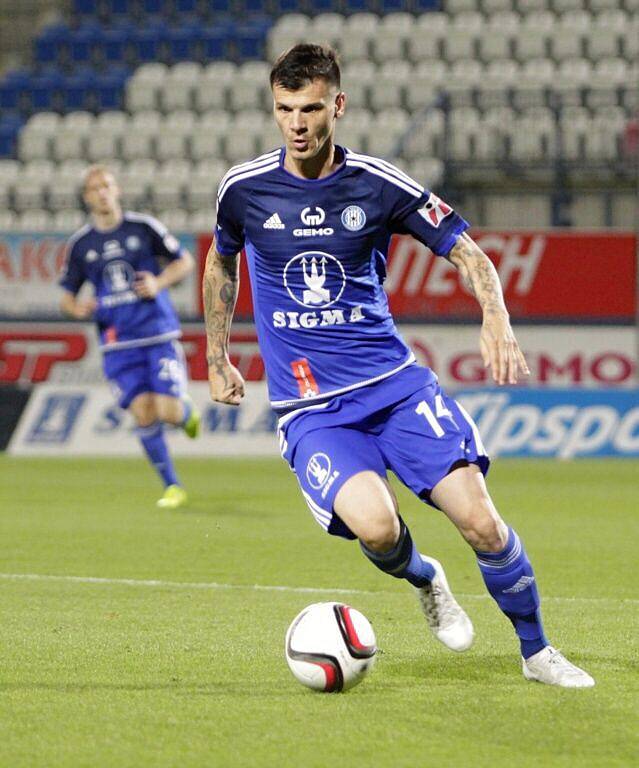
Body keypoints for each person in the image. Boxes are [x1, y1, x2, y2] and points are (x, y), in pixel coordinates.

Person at [203, 44, 594, 687]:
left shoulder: (379, 184)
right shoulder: (243, 190)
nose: (296, 124)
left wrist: (494, 315)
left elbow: (468, 252)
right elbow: (222, 261)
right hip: (312, 409)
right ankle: (426, 579)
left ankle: (537, 652)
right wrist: (216, 355)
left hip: (394, 388)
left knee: (481, 521)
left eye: (309, 109)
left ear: (338, 105)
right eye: (283, 110)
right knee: (379, 529)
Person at [59, 164, 200, 509]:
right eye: (94, 188)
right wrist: (79, 309)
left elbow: (185, 262)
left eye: (107, 185)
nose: (102, 192)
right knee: (143, 412)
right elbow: (66, 297)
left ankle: (185, 413)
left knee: (166, 411)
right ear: (86, 198)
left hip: (156, 332)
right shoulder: (81, 245)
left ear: (117, 190)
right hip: (117, 342)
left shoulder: (142, 228)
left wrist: (158, 282)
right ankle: (172, 486)